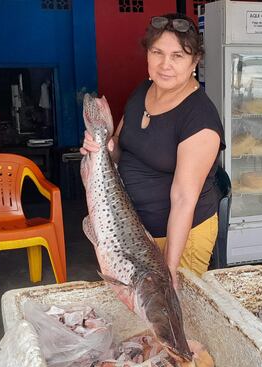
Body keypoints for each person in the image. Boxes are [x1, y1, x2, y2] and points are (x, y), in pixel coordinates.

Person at [81, 13, 223, 286]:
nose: (165, 65)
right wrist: (103, 149)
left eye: (178, 56)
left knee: (172, 312)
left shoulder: (200, 119)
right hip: (129, 229)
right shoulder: (143, 90)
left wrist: (170, 267)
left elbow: (184, 199)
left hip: (180, 237)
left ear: (195, 62)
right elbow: (120, 148)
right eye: (157, 52)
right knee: (136, 309)